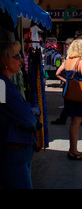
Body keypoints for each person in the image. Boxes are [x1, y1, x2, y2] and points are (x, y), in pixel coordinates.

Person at [0, 41, 42, 189]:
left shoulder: (6, 83)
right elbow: (27, 118)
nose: (21, 60)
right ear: (5, 60)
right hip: (14, 150)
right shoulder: (2, 85)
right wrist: (33, 114)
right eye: (16, 56)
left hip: (18, 148)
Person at [56, 39, 82, 160]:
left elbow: (58, 73)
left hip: (69, 92)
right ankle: (73, 150)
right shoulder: (81, 61)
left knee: (72, 121)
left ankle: (72, 149)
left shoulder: (67, 61)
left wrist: (68, 81)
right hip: (79, 94)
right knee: (76, 123)